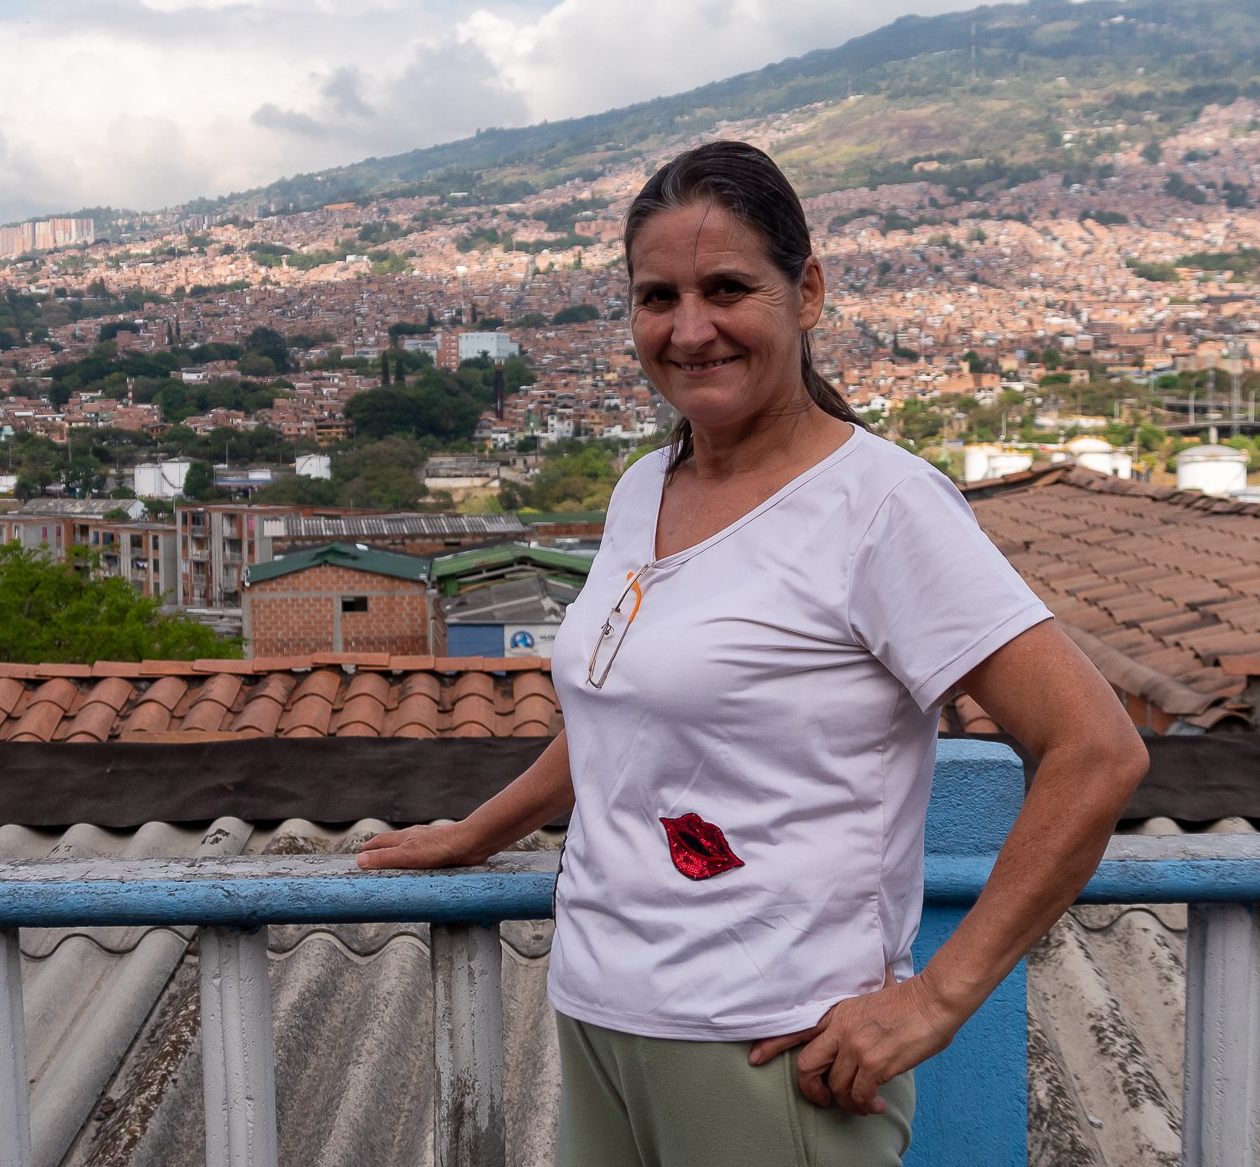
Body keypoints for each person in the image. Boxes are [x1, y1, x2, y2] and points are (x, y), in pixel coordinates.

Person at [359, 140, 1147, 1166]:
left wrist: (936, 999)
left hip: (768, 1048)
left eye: (726, 287)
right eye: (657, 297)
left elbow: (1095, 748)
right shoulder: (642, 488)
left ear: (805, 291)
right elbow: (624, 715)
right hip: (599, 1009)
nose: (690, 329)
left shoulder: (879, 506)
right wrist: (478, 831)